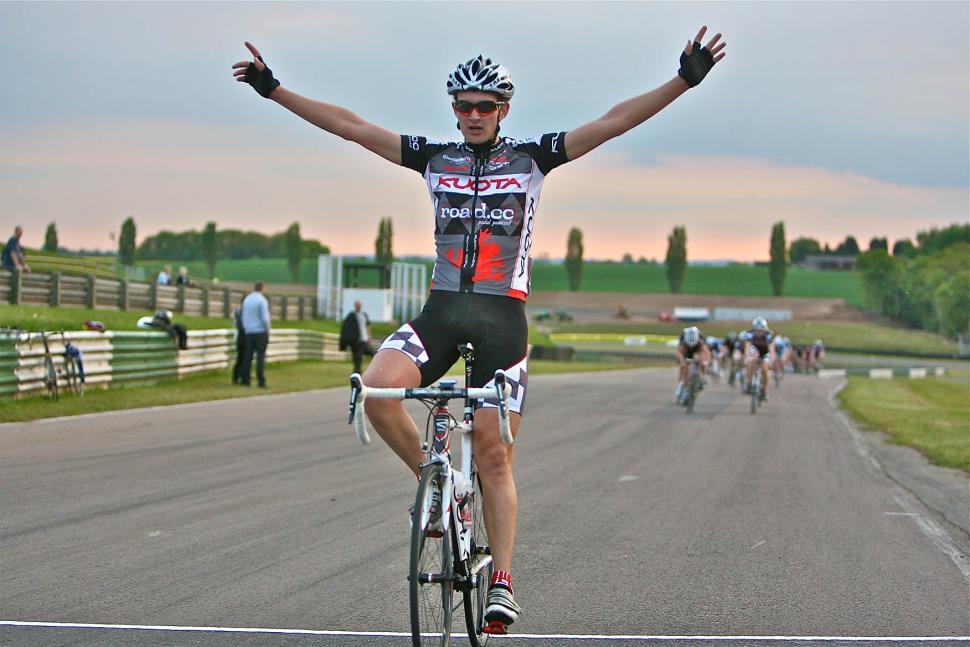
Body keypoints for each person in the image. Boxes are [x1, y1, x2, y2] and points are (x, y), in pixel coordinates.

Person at [234, 27, 726, 633]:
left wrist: (682, 81)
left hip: (501, 323)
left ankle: (502, 583)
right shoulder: (434, 159)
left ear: (503, 110)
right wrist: (275, 90)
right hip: (441, 313)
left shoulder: (533, 159)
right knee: (380, 390)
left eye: (483, 106)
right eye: (462, 106)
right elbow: (351, 127)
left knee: (493, 457)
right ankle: (434, 485)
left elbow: (614, 121)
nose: (471, 116)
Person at [239, 281, 271, 388]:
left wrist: (246, 327)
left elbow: (243, 315)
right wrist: (267, 329)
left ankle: (245, 379)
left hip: (249, 331)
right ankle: (260, 380)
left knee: (248, 356)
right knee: (260, 357)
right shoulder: (262, 300)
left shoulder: (247, 299)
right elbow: (264, 318)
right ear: (262, 288)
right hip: (260, 331)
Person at [675, 326, 711, 402]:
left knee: (701, 360)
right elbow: (679, 353)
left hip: (697, 350)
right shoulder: (683, 341)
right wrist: (682, 362)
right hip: (686, 352)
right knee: (684, 368)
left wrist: (706, 362)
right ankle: (684, 388)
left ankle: (703, 377)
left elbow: (707, 353)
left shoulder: (701, 341)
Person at [742, 316, 775, 400]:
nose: (759, 332)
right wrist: (746, 358)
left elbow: (772, 350)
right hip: (755, 351)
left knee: (765, 368)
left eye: (761, 330)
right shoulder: (749, 334)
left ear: (765, 329)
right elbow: (747, 348)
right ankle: (749, 383)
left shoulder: (769, 335)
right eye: (757, 330)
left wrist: (771, 361)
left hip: (765, 352)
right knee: (752, 361)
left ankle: (765, 390)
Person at [340, 300, 375, 374]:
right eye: (357, 305)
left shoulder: (364, 315)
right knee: (357, 355)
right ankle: (357, 371)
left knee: (370, 353)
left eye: (359, 305)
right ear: (355, 306)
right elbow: (347, 328)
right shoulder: (351, 315)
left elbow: (368, 326)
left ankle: (360, 370)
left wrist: (370, 336)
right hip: (356, 340)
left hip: (364, 339)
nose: (358, 307)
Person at [231, 296, 247, 384]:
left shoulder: (237, 310)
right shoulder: (246, 311)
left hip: (239, 335)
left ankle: (235, 377)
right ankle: (242, 376)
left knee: (240, 358)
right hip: (245, 334)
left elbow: (234, 323)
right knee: (245, 357)